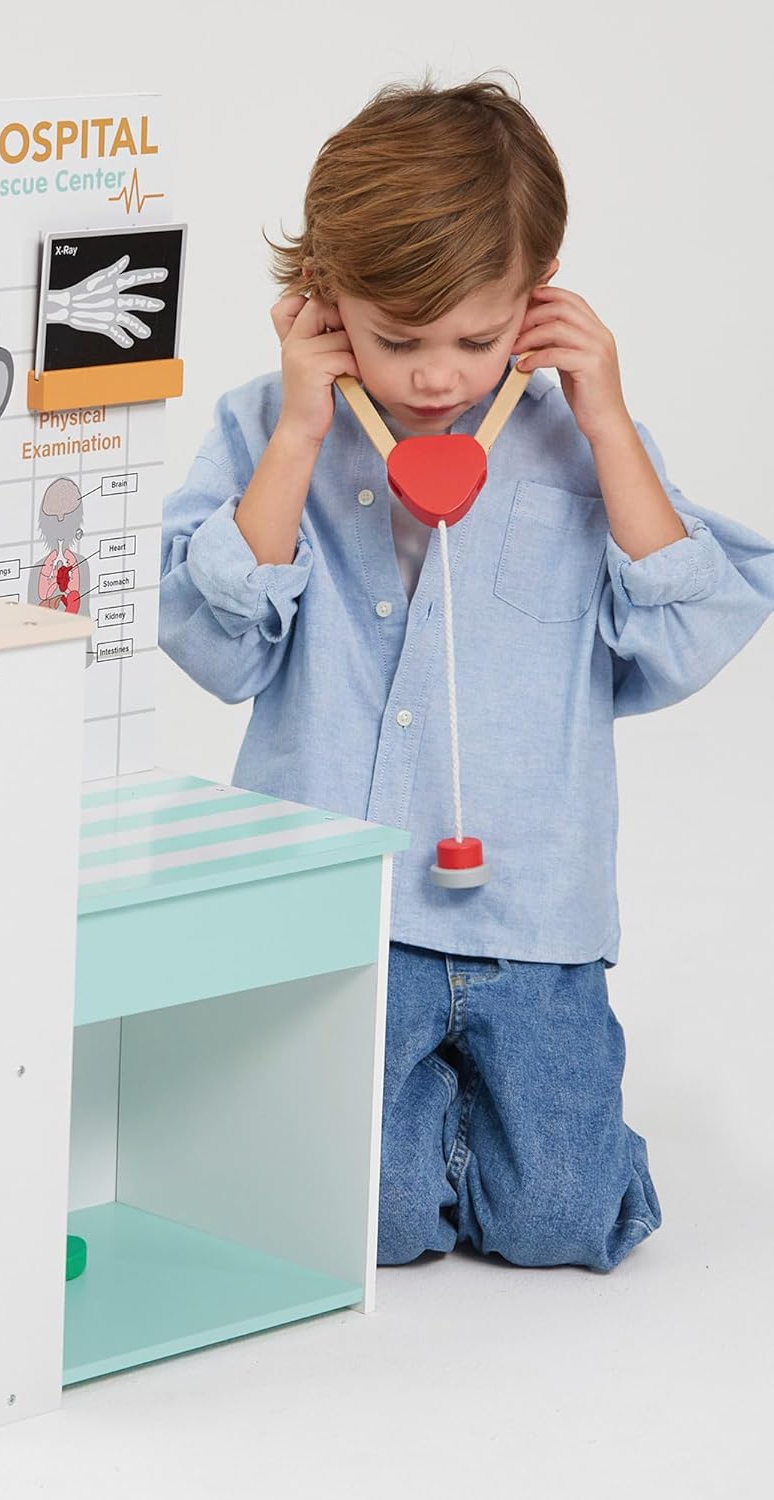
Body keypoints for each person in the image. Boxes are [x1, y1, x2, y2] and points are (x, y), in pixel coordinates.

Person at [158, 76, 774, 1270]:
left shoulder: (579, 442)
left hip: (533, 912)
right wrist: (298, 434)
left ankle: (474, 1131)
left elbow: (687, 638)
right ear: (322, 298)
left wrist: (608, 425)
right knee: (374, 1228)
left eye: (477, 341)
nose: (438, 376)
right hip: (341, 913)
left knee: (567, 1223)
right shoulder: (266, 428)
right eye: (398, 341)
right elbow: (218, 649)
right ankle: (405, 1138)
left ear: (538, 301)